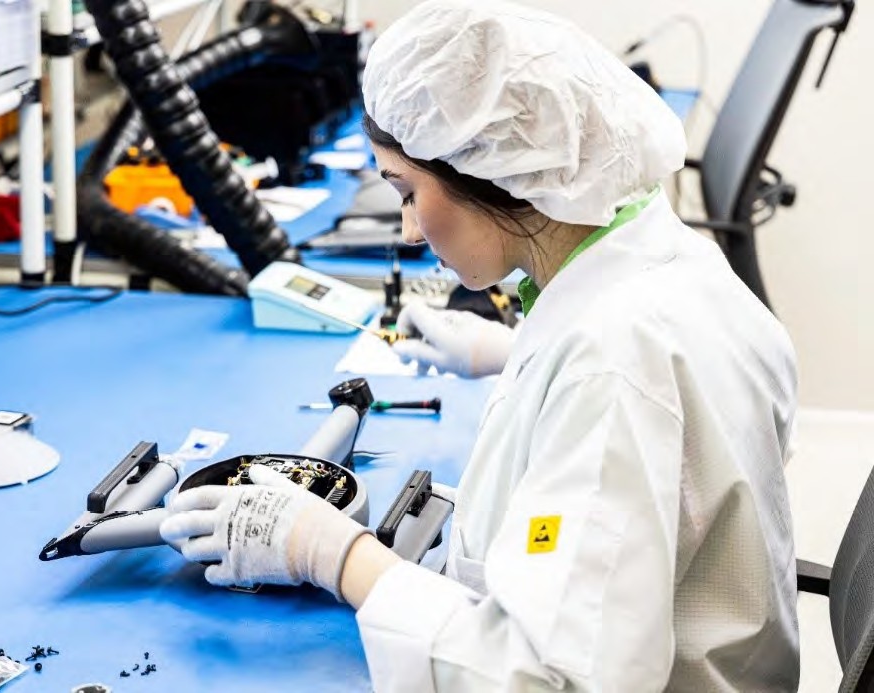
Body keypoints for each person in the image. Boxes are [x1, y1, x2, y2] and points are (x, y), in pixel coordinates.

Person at [159, 1, 800, 690]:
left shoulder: (613, 367)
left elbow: (545, 678)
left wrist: (334, 554)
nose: (408, 230)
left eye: (407, 191)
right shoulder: (664, 257)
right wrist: (513, 355)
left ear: (491, 173)